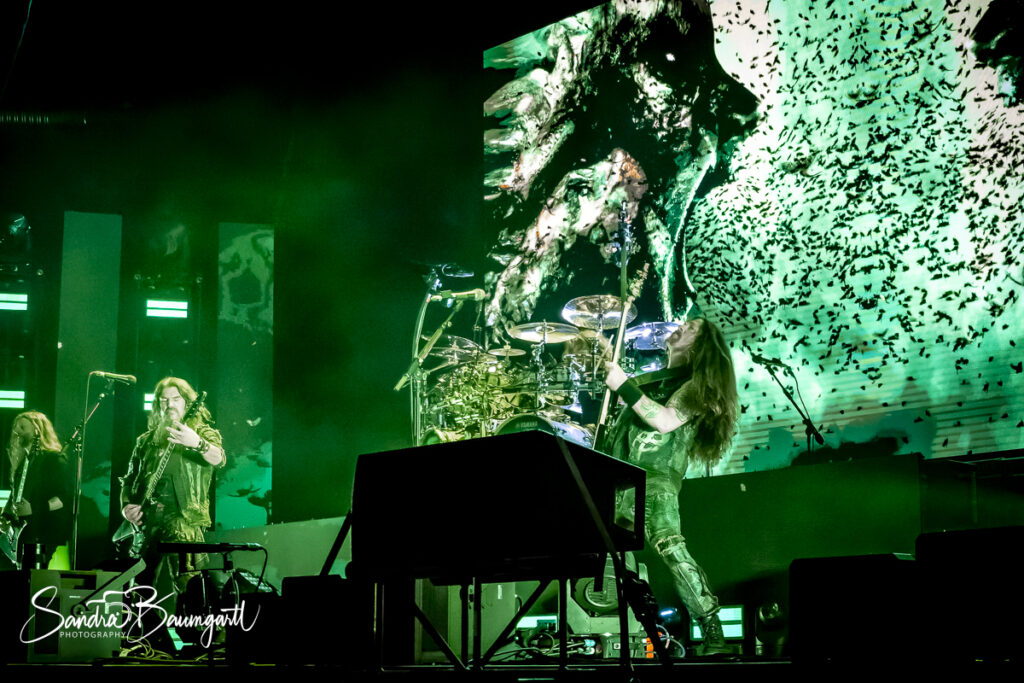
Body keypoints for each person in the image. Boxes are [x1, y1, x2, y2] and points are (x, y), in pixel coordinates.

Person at [601, 317, 738, 655]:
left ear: (699, 346)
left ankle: (711, 626)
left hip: (654, 480)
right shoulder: (658, 379)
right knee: (610, 554)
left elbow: (663, 421)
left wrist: (622, 384)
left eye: (692, 328)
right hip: (619, 478)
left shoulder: (697, 386)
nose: (682, 327)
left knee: (671, 549)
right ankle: (616, 630)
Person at [116, 377, 224, 644]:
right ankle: (149, 642)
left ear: (188, 401)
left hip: (184, 518)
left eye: (176, 399)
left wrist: (196, 442)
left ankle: (198, 642)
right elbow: (128, 480)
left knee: (190, 584)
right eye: (164, 400)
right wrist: (126, 507)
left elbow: (219, 458)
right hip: (147, 521)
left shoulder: (203, 432)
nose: (169, 405)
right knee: (138, 586)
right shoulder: (146, 441)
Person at [1, 411, 70, 569]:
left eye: (22, 427)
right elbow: (15, 494)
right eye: (15, 427)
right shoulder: (24, 462)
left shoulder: (53, 459)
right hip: (22, 532)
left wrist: (35, 508)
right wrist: (5, 516)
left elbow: (63, 498)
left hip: (42, 532)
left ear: (37, 430)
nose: (16, 431)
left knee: (33, 575)